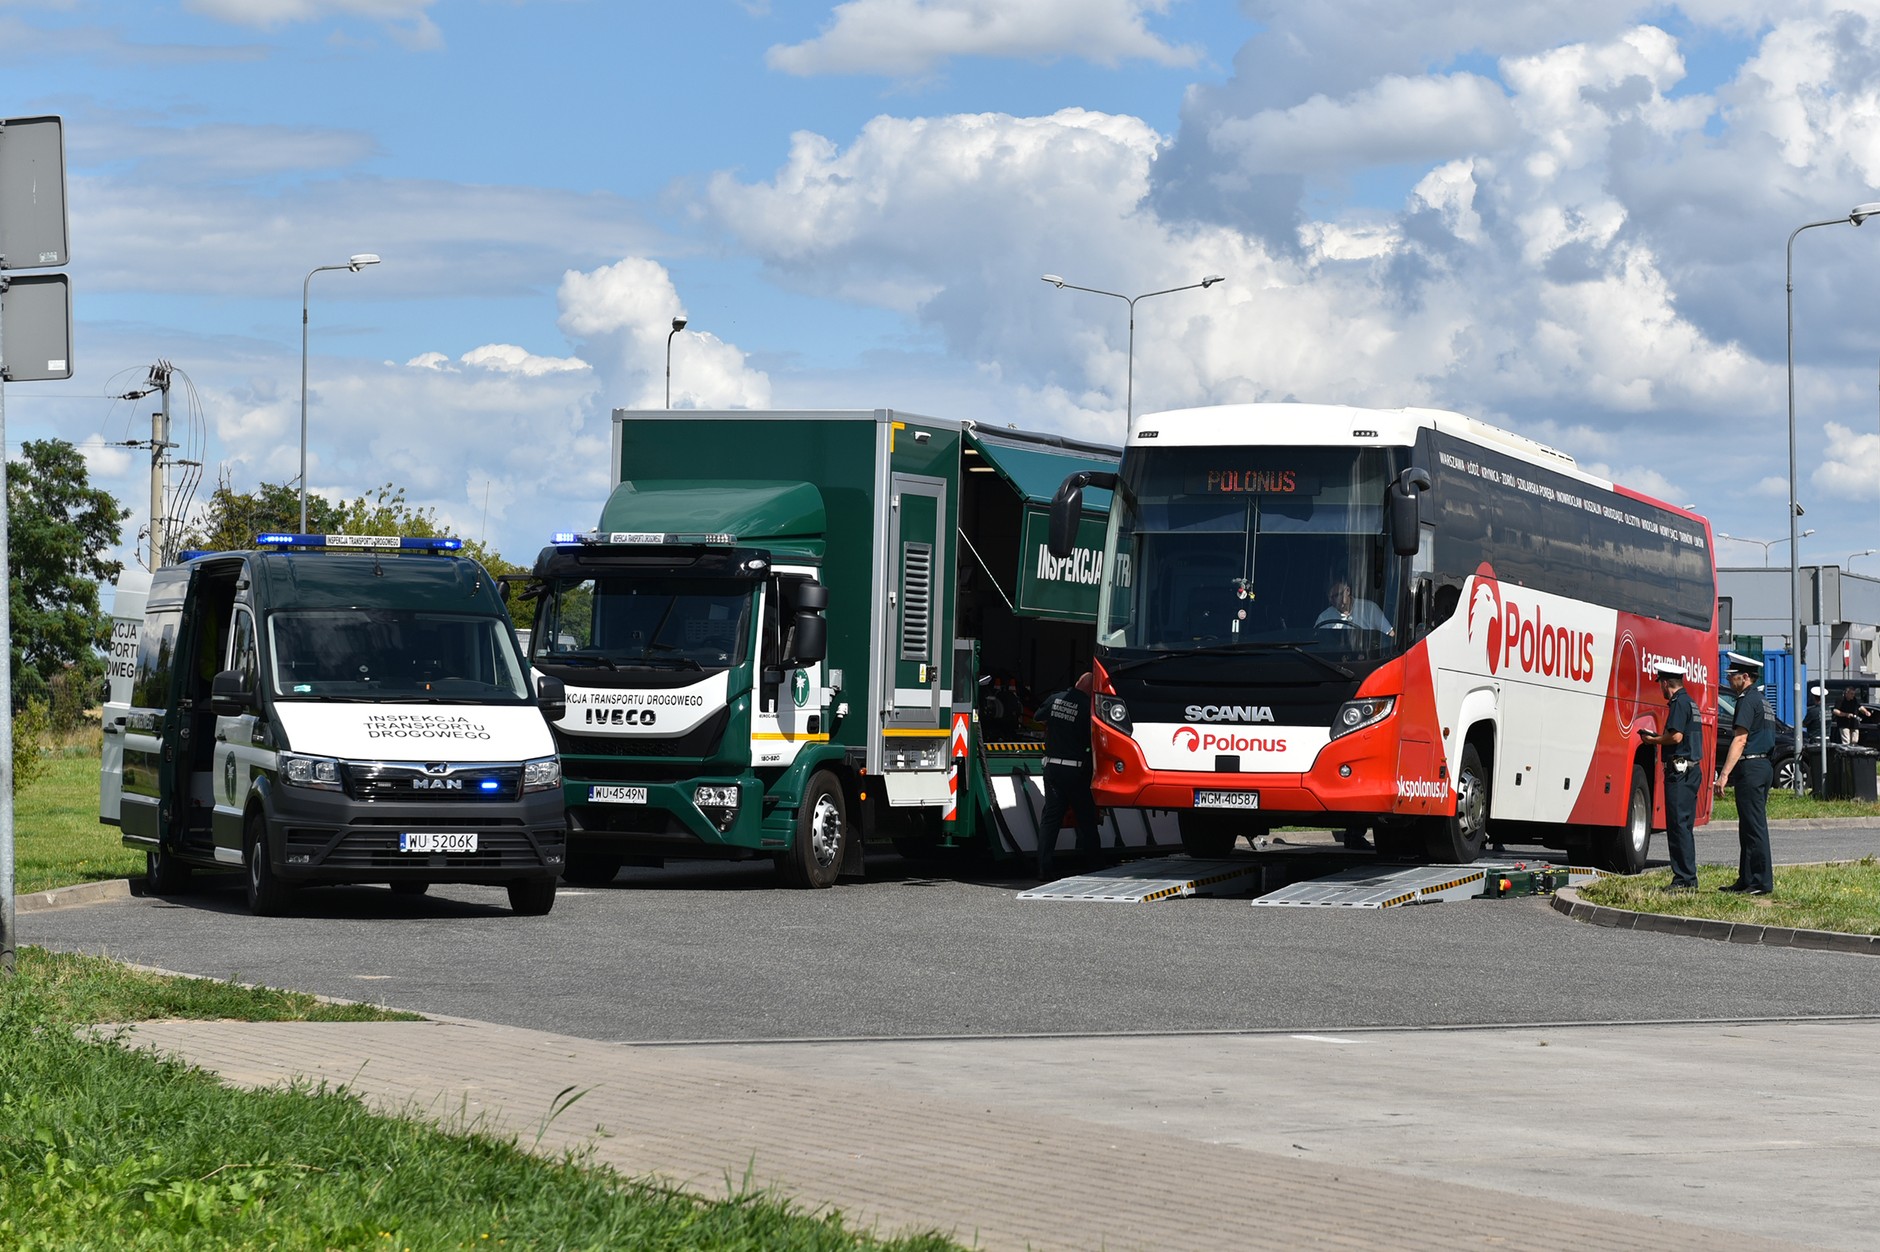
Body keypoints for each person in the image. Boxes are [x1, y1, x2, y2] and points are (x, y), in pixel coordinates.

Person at [1714, 652, 1775, 896]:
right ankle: (1747, 878)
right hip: (1763, 767)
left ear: (1746, 677)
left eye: (1733, 676)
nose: (1729, 680)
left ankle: (1761, 881)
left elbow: (1740, 739)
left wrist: (1724, 774)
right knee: (1748, 826)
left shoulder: (1747, 700)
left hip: (1752, 767)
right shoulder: (1762, 700)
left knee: (1755, 826)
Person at [1638, 660, 1701, 890]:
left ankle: (1683, 879)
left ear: (1666, 683)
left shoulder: (1678, 703)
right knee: (1684, 826)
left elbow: (1676, 737)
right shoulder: (1690, 702)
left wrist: (1653, 739)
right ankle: (1688, 877)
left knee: (1677, 827)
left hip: (1680, 774)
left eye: (1661, 684)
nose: (1661, 689)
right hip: (1691, 771)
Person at [1036, 671, 1100, 880]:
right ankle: (1092, 866)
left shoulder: (1055, 699)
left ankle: (1044, 868)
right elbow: (1093, 739)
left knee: (1050, 819)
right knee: (1086, 818)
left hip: (1052, 767)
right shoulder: (1088, 708)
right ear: (1091, 689)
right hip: (1075, 771)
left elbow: (1038, 717)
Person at [1315, 577, 1393, 636]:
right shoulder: (1324, 617)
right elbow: (1317, 641)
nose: (1335, 600)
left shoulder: (1370, 609)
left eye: (1338, 595)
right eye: (1331, 597)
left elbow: (1390, 633)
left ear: (1348, 591)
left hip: (1368, 655)